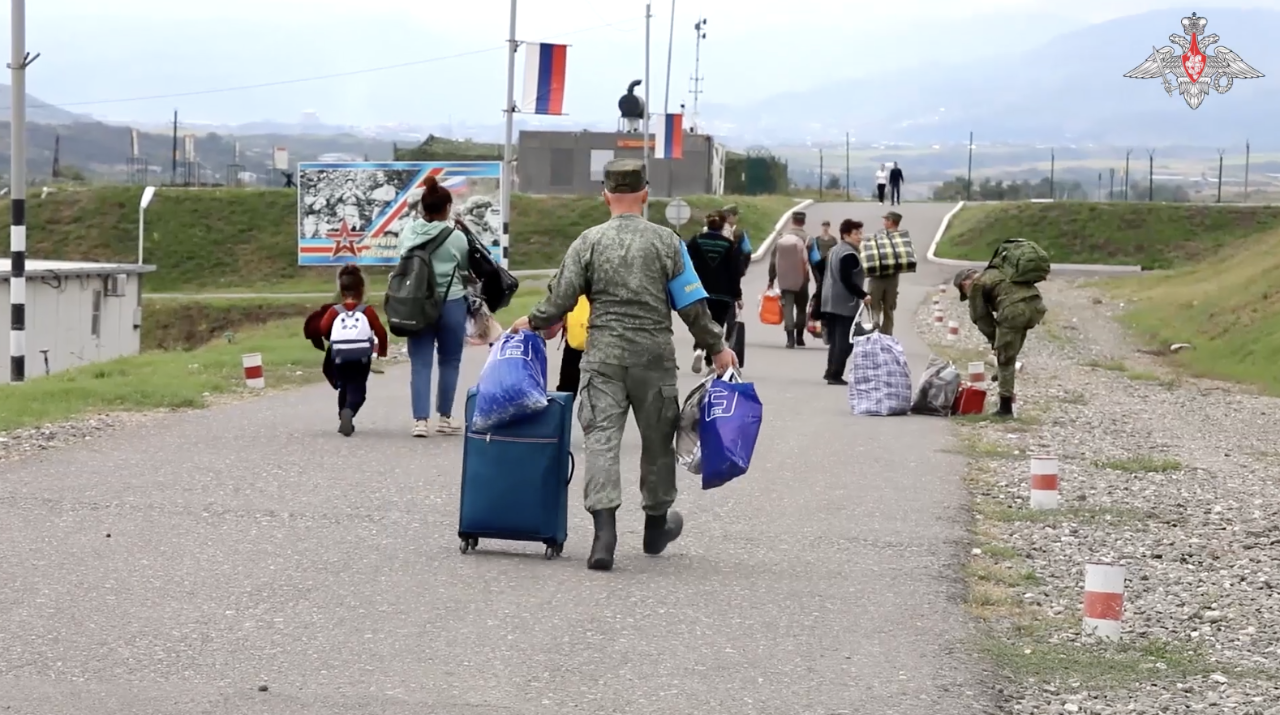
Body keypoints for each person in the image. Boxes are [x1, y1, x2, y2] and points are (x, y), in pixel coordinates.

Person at [508, 159, 736, 572]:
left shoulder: (588, 242)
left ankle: (604, 536)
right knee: (657, 446)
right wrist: (717, 347)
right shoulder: (667, 243)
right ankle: (655, 527)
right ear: (645, 193)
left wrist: (534, 321)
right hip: (654, 360)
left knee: (601, 443)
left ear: (605, 195)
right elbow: (691, 304)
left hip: (603, 360)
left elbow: (559, 299)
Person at [397, 175, 470, 438]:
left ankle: (420, 421)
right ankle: (445, 417)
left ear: (423, 208)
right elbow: (463, 267)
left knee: (420, 363)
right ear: (447, 207)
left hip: (417, 304)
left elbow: (402, 259)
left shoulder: (408, 232)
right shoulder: (456, 237)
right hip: (451, 303)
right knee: (450, 361)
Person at [954, 266, 1047, 417]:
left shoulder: (975, 286)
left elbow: (980, 317)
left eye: (963, 291)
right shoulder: (997, 272)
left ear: (964, 283)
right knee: (1010, 352)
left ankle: (1005, 410)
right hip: (1035, 306)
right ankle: (1004, 380)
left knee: (1005, 358)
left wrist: (995, 343)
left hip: (1014, 310)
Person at [317, 265, 389, 436]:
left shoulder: (334, 311)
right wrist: (382, 350)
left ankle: (343, 417)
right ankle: (349, 411)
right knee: (358, 389)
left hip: (339, 356)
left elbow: (322, 329)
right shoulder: (367, 311)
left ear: (341, 291)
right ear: (362, 290)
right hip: (361, 357)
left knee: (344, 386)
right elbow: (380, 332)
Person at [687, 210, 744, 373]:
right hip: (722, 294)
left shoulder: (696, 241)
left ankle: (698, 349)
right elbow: (735, 273)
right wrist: (737, 295)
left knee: (701, 322)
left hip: (699, 291)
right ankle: (710, 360)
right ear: (722, 225)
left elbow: (686, 264)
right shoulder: (729, 245)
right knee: (717, 324)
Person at [822, 219, 871, 385]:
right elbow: (847, 280)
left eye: (860, 233)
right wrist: (863, 295)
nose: (860, 237)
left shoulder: (834, 250)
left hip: (830, 301)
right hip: (845, 302)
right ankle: (835, 374)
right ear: (845, 235)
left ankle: (830, 372)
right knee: (846, 340)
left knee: (835, 340)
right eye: (856, 234)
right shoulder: (849, 254)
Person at [768, 210, 811, 348]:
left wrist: (771, 279)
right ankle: (800, 337)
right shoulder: (809, 239)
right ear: (803, 222)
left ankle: (790, 339)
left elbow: (773, 261)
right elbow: (815, 261)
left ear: (792, 221)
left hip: (785, 280)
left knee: (788, 308)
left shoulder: (782, 238)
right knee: (801, 308)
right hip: (803, 280)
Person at [866, 211, 907, 336]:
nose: (884, 222)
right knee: (889, 307)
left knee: (873, 302)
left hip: (877, 277)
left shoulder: (879, 235)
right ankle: (887, 333)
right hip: (893, 278)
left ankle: (875, 325)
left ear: (890, 221)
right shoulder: (902, 238)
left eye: (885, 220)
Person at [807, 220, 839, 340]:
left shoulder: (833, 240)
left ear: (829, 227)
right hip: (820, 266)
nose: (825, 228)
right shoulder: (817, 240)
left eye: (827, 226)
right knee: (820, 285)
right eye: (824, 226)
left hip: (830, 266)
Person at [722, 204, 753, 276]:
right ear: (730, 216)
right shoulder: (739, 233)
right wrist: (742, 269)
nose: (737, 217)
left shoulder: (716, 230)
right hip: (733, 273)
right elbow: (747, 251)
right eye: (736, 215)